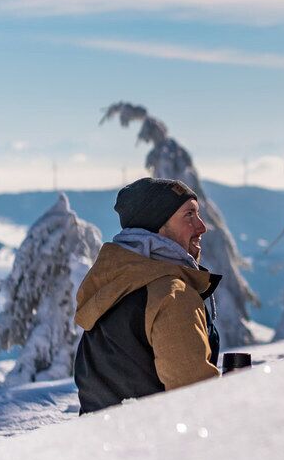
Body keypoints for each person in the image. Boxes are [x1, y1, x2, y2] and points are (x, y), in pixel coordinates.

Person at [73, 177, 222, 413]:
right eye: (189, 215)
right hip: (157, 444)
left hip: (101, 444)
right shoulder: (172, 295)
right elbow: (194, 399)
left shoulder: (111, 288)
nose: (202, 226)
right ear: (158, 227)